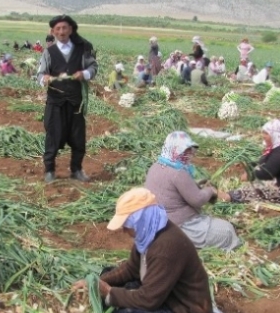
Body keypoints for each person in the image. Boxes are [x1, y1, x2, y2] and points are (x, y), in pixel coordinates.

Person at [71, 187, 216, 313]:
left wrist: (109, 293)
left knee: (127, 311)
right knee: (108, 273)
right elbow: (131, 269)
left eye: (127, 224)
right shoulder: (149, 233)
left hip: (182, 307)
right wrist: (95, 282)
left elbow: (149, 300)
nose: (124, 230)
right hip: (163, 292)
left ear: (140, 220)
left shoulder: (166, 248)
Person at [144, 131, 241, 251]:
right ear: (175, 151)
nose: (189, 154)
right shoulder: (178, 172)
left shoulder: (156, 166)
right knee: (227, 231)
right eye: (185, 150)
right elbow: (197, 200)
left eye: (189, 150)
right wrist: (210, 190)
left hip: (157, 225)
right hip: (178, 226)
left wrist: (197, 186)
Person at [37, 15, 98, 183]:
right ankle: (49, 170)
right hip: (55, 103)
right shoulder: (49, 52)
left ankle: (76, 170)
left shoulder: (82, 49)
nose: (61, 32)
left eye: (64, 28)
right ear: (53, 32)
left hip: (75, 103)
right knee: (52, 136)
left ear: (70, 30)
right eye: (58, 29)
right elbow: (40, 74)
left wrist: (84, 74)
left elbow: (93, 67)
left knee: (78, 138)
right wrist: (45, 78)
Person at [221, 119, 280, 204]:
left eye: (266, 133)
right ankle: (232, 195)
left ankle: (230, 196)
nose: (263, 136)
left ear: (276, 135)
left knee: (259, 190)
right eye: (263, 133)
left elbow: (268, 172)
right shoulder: (277, 149)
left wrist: (250, 175)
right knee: (257, 184)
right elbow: (264, 163)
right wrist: (247, 165)